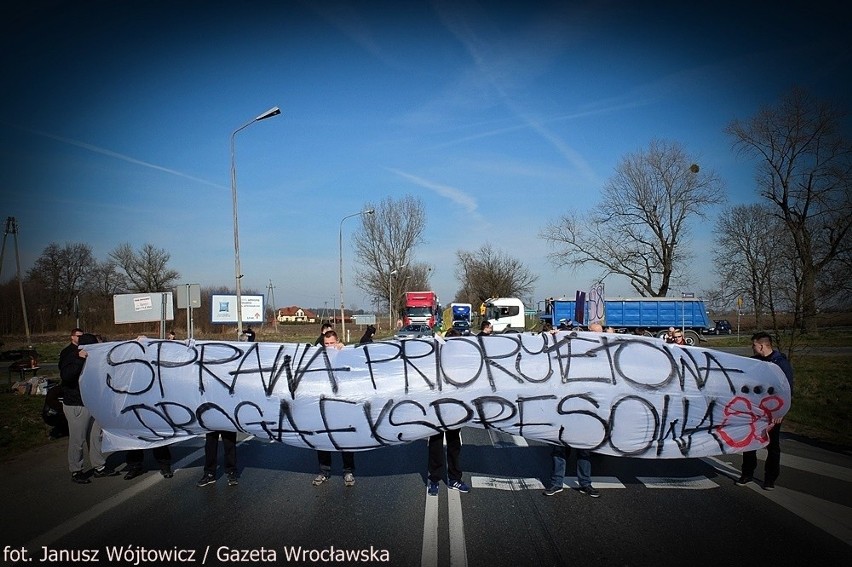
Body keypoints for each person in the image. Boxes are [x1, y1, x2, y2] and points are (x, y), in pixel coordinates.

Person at [736, 331, 794, 490]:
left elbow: (787, 390)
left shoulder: (780, 364)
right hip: (754, 411)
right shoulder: (754, 362)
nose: (752, 348)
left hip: (773, 413)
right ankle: (747, 473)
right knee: (750, 443)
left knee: (772, 446)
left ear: (761, 345)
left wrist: (780, 412)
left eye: (754, 345)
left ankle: (770, 478)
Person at [59, 329, 117, 484]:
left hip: (92, 403)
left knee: (95, 435)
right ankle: (76, 470)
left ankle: (99, 466)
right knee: (77, 439)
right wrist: (79, 359)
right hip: (76, 404)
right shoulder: (70, 354)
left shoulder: (93, 357)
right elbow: (66, 376)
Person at [427, 328, 470, 496]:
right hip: (437, 409)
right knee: (436, 445)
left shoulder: (464, 362)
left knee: (454, 445)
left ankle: (454, 478)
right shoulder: (437, 358)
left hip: (455, 409)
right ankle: (434, 480)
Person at [312, 329, 355, 486]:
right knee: (323, 438)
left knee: (345, 439)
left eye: (332, 343)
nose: (329, 346)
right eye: (326, 344)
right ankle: (324, 471)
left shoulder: (346, 355)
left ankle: (348, 471)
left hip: (342, 405)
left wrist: (345, 351)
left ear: (338, 342)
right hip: (324, 404)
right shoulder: (318, 357)